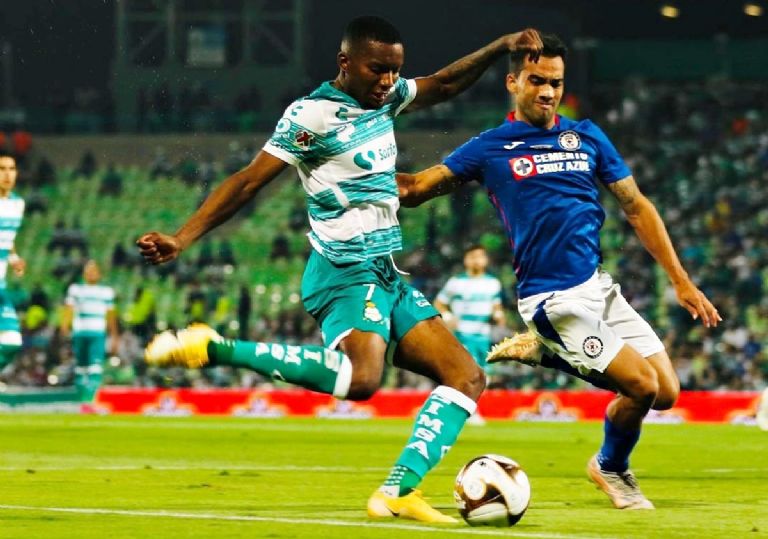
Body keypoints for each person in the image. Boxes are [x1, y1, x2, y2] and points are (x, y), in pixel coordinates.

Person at [137, 16, 543, 523]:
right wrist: (183, 237)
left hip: (385, 271)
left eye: (394, 70)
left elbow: (442, 84)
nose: (388, 81)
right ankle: (213, 347)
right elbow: (248, 181)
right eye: (377, 69)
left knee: (466, 377)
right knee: (362, 379)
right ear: (345, 62)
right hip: (344, 270)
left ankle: (397, 492)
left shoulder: (386, 98)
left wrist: (500, 46)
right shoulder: (311, 116)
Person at [397, 32, 721, 510]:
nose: (548, 91)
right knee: (641, 386)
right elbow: (416, 189)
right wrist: (357, 170)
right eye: (537, 81)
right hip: (552, 300)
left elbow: (636, 206)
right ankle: (610, 467)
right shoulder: (490, 147)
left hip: (598, 288)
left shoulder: (587, 136)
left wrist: (681, 280)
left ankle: (548, 354)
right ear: (513, 82)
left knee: (666, 393)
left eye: (556, 82)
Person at [435, 244, 505, 425]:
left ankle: (465, 409)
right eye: (473, 256)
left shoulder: (493, 283)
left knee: (484, 375)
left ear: (486, 260)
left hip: (483, 334)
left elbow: (496, 306)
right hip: (462, 333)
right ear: (466, 260)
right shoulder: (456, 282)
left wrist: (499, 315)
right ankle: (468, 412)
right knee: (469, 373)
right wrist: (448, 317)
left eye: (480, 256)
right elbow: (439, 303)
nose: (477, 260)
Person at [60, 260, 119, 407]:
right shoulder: (76, 289)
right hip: (80, 332)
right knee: (80, 367)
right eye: (88, 270)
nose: (91, 273)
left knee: (95, 366)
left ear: (99, 274)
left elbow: (111, 315)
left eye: (94, 270)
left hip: (97, 332)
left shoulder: (106, 292)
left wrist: (114, 335)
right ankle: (81, 399)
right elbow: (69, 308)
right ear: (84, 274)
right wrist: (64, 326)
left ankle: (90, 399)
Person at [0, 152, 26, 374]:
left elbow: (7, 239)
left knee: (11, 340)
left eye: (11, 168)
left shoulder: (18, 204)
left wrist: (14, 258)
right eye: (1, 169)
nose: (7, 174)